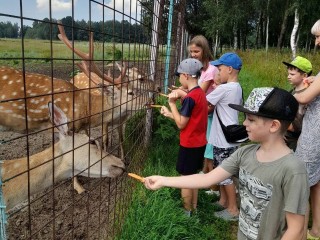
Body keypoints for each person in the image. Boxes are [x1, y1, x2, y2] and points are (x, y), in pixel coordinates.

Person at [144, 87, 309, 240]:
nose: (244, 123)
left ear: (274, 125)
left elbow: (296, 229)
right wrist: (163, 180)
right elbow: (207, 179)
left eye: (251, 119)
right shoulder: (245, 153)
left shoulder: (293, 170)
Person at [160, 58, 208, 216]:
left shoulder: (189, 99)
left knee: (185, 179)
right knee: (193, 176)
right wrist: (169, 115)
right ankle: (194, 207)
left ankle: (186, 213)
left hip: (189, 144)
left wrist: (172, 104)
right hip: (200, 143)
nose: (178, 79)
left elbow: (181, 124)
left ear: (186, 75)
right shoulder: (199, 93)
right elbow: (190, 121)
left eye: (179, 75)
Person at [205, 52, 244, 221]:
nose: (217, 74)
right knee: (222, 170)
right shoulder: (237, 87)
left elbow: (202, 103)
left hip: (223, 140)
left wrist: (185, 94)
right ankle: (223, 201)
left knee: (225, 175)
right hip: (229, 138)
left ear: (229, 69)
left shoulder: (224, 88)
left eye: (219, 70)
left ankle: (233, 210)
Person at [294, 19, 320, 240]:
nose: (317, 42)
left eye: (319, 37)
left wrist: (288, 97)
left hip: (314, 135)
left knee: (302, 182)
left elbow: (304, 97)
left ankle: (299, 233)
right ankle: (316, 230)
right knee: (316, 184)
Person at [187, 35, 220, 194]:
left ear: (204, 51)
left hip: (210, 112)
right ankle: (206, 174)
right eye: (191, 51)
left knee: (210, 146)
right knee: (206, 144)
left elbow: (199, 91)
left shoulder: (211, 70)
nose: (193, 54)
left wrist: (184, 92)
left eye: (196, 51)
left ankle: (213, 184)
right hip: (203, 112)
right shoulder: (199, 68)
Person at [282, 56, 312, 151]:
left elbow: (298, 125)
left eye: (292, 74)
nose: (288, 76)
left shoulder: (307, 96)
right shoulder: (294, 90)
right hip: (285, 134)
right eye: (288, 73)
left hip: (293, 140)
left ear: (304, 76)